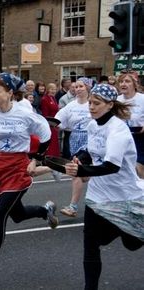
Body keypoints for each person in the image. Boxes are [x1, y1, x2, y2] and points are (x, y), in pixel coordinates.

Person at [0, 73, 58, 280]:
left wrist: (36, 159)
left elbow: (45, 134)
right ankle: (45, 211)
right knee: (17, 215)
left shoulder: (25, 113)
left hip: (19, 168)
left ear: (10, 93)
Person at [64, 84, 143, 290]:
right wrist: (81, 157)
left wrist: (81, 172)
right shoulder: (93, 125)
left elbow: (111, 166)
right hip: (97, 196)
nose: (91, 107)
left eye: (96, 103)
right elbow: (92, 152)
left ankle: (121, 228)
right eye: (90, 102)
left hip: (123, 196)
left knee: (133, 244)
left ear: (109, 105)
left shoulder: (118, 129)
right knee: (90, 244)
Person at [55, 77, 93, 217]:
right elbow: (59, 120)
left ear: (88, 87)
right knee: (82, 176)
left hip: (90, 140)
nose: (77, 89)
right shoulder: (71, 106)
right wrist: (53, 124)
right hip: (74, 139)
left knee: (74, 170)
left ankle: (73, 207)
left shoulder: (93, 104)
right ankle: (91, 174)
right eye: (76, 87)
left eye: (81, 86)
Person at [116, 70, 144, 179]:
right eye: (121, 81)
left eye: (127, 81)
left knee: (139, 167)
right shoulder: (117, 101)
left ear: (134, 84)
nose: (123, 84)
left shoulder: (142, 98)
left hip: (140, 137)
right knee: (125, 168)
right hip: (123, 137)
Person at [41, 83, 61, 157]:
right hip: (49, 124)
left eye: (55, 89)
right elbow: (45, 114)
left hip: (55, 123)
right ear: (48, 89)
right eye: (52, 89)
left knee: (55, 142)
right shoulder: (44, 99)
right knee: (51, 143)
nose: (54, 91)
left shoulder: (53, 98)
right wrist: (50, 124)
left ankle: (55, 157)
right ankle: (49, 157)